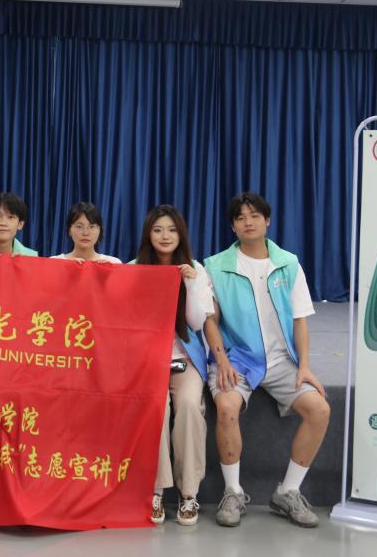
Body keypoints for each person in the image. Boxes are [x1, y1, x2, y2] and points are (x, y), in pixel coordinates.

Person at [203, 192, 330, 529]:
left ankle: (288, 492)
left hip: (280, 361)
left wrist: (304, 366)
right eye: (240, 217)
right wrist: (222, 361)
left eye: (255, 215)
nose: (248, 222)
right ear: (233, 226)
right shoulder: (215, 266)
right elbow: (210, 320)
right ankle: (233, 492)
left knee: (319, 410)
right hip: (237, 359)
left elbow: (300, 320)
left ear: (267, 220)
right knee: (226, 407)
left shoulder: (288, 263)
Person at [135, 205, 212, 526]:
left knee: (190, 407)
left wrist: (190, 285)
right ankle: (154, 490)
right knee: (157, 410)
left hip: (185, 361)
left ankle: (188, 492)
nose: (165, 236)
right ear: (148, 235)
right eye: (157, 230)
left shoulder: (196, 269)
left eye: (171, 230)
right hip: (147, 364)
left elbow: (196, 322)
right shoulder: (135, 269)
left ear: (181, 234)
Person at [50, 202, 122, 264]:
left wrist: (109, 272)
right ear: (69, 230)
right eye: (79, 226)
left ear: (100, 230)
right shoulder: (54, 262)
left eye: (92, 226)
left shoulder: (114, 263)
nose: (85, 233)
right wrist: (65, 268)